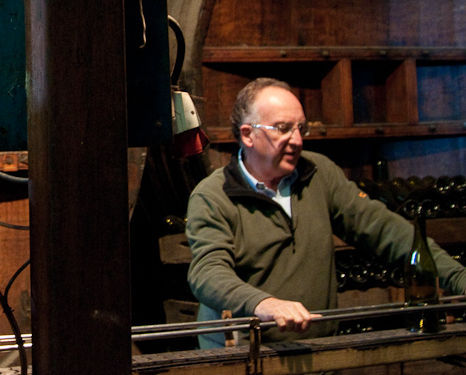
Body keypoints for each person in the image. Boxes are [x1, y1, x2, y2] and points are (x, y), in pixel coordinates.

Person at [185, 77, 466, 347]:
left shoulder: (318, 174)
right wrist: (263, 304)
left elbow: (387, 231)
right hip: (246, 355)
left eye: (300, 129)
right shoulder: (213, 195)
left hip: (317, 349)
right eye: (283, 128)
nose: (296, 140)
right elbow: (208, 273)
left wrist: (457, 278)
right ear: (248, 134)